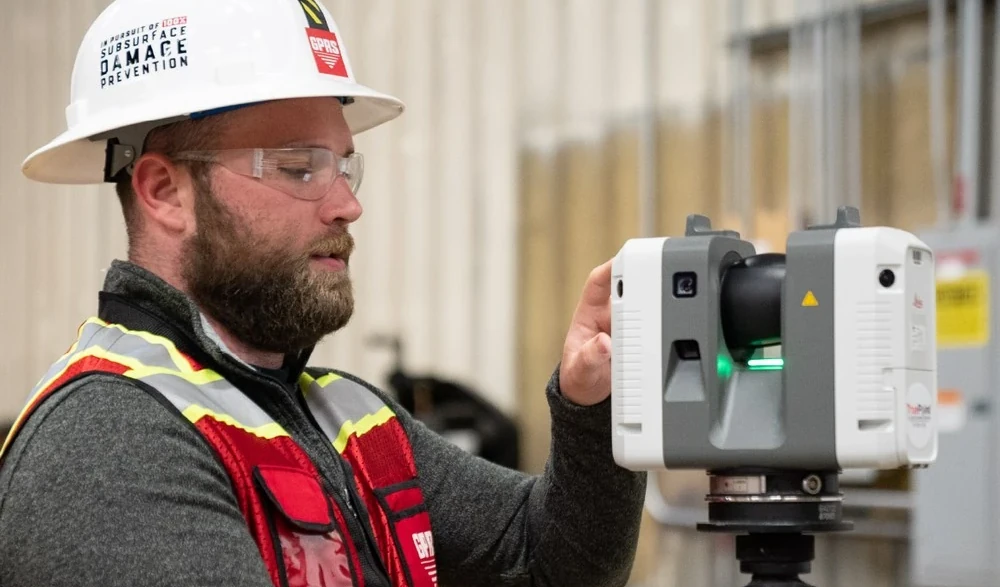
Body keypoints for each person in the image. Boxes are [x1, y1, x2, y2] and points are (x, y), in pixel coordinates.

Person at [0, 1, 647, 586]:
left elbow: (550, 562)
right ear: (165, 192)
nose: (347, 204)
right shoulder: (110, 447)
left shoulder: (346, 416)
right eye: (298, 167)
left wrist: (594, 399)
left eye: (342, 165)